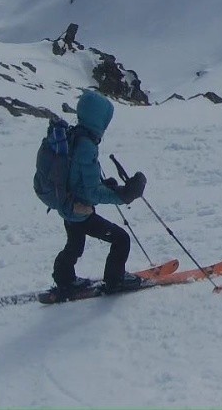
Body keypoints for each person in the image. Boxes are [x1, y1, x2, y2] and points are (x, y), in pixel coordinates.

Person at [52, 90, 147, 297]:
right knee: (121, 239)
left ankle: (64, 279)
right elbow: (92, 193)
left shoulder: (74, 135)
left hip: (68, 206)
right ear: (99, 118)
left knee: (74, 245)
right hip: (80, 210)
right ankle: (115, 281)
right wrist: (123, 195)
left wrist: (105, 184)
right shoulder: (87, 146)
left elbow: (79, 178)